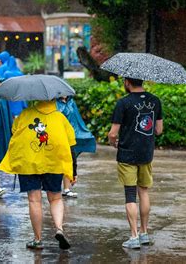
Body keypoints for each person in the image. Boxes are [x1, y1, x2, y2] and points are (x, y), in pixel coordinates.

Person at [0, 100, 76, 250]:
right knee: (56, 198)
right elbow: (71, 143)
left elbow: (14, 132)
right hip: (54, 163)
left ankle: (38, 239)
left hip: (29, 163)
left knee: (34, 200)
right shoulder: (60, 118)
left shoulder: (24, 114)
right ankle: (59, 228)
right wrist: (74, 169)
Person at [107, 78, 163, 249]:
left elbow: (113, 133)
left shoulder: (123, 103)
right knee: (144, 192)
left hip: (127, 153)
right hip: (146, 153)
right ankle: (144, 233)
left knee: (130, 194)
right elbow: (159, 130)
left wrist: (112, 141)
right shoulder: (155, 101)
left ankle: (133, 237)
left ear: (127, 82)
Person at [57, 96, 96, 197]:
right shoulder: (54, 103)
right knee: (59, 161)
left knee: (69, 160)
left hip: (70, 135)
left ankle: (66, 188)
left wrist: (83, 132)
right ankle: (55, 188)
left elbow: (77, 118)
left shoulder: (71, 102)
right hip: (58, 135)